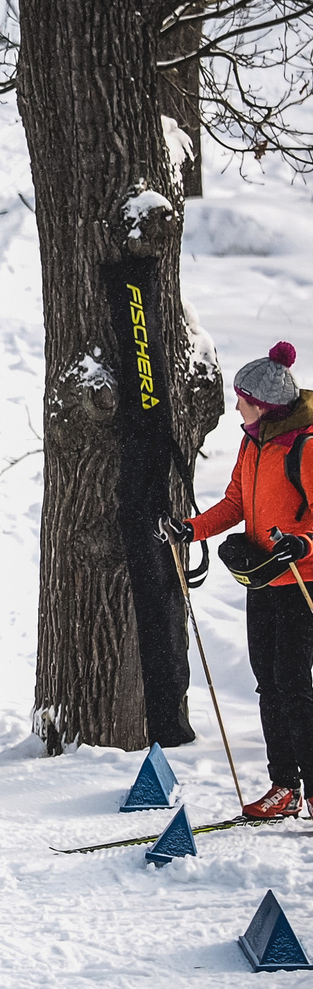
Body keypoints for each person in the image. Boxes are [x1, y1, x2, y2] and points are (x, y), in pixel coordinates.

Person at [166, 341, 313, 819]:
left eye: (242, 398)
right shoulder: (254, 441)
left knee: (294, 686)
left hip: (301, 583)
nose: (236, 405)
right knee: (268, 685)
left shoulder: (305, 447)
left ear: (265, 405)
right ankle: (284, 786)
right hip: (263, 583)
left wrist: (306, 544)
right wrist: (190, 530)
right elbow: (235, 503)